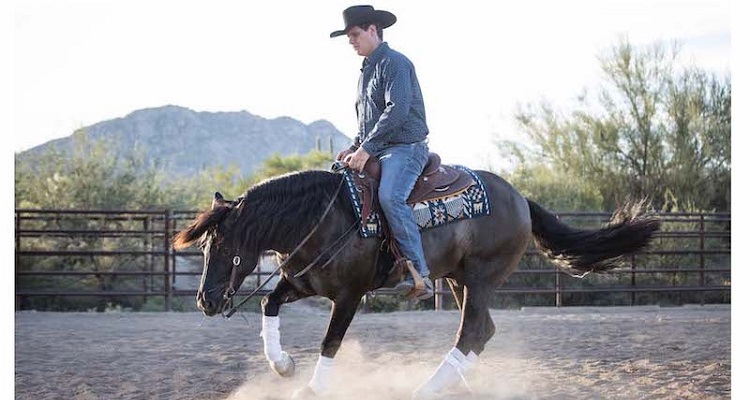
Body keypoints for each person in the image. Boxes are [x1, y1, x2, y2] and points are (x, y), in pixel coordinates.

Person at [331, 5, 433, 300]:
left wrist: (366, 148)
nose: (351, 41)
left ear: (373, 30)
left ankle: (420, 275)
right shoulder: (366, 72)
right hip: (380, 149)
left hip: (406, 148)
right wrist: (354, 146)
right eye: (349, 36)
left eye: (354, 34)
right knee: (339, 188)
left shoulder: (395, 63)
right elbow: (368, 121)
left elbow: (397, 111)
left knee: (390, 197)